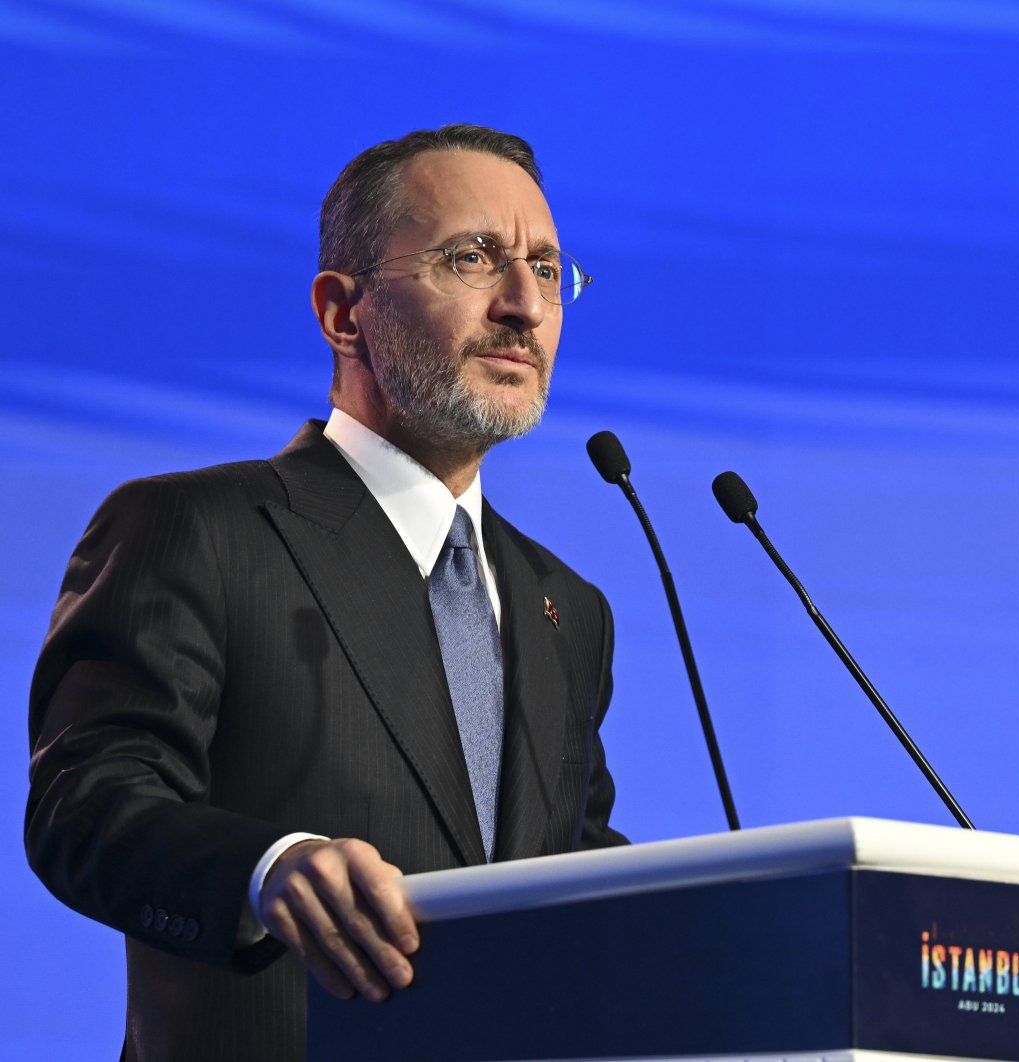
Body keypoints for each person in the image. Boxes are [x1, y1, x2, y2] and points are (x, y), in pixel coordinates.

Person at [25, 124, 626, 1061]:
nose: (523, 305)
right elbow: (87, 805)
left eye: (549, 270)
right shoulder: (200, 530)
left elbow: (571, 876)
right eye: (474, 258)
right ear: (344, 313)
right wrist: (267, 870)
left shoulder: (567, 607)